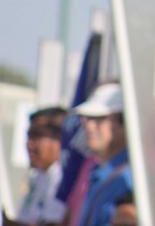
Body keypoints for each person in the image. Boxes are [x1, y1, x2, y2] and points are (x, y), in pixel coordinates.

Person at [74, 83, 132, 226]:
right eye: (86, 119)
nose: (89, 126)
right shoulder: (99, 173)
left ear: (123, 122)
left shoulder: (131, 178)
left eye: (99, 119)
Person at [5, 107, 67, 226]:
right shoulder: (38, 176)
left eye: (37, 136)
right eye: (29, 136)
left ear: (60, 139)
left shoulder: (63, 180)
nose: (29, 144)